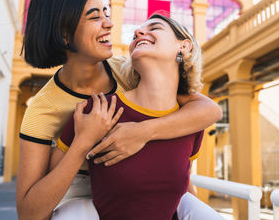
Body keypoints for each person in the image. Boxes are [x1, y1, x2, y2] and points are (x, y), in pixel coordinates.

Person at [16, 0, 223, 220]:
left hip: (136, 191)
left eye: (106, 12)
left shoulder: (130, 72)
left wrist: (141, 132)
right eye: (95, 17)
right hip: (71, 190)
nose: (110, 23)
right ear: (64, 35)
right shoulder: (41, 110)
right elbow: (29, 213)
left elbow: (210, 111)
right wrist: (83, 142)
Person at [55, 13, 212, 219]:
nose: (138, 32)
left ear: (184, 46)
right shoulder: (97, 110)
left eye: (154, 27)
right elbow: (50, 190)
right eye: (136, 34)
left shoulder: (192, 121)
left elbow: (182, 186)